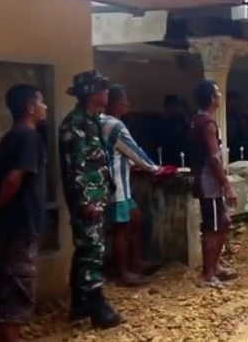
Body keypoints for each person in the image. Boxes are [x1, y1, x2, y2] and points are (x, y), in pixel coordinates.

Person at [0, 84, 47, 342]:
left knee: (4, 291)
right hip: (20, 227)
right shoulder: (30, 137)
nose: (45, 107)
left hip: (6, 229)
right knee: (16, 296)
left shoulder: (9, 137)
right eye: (41, 102)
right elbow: (12, 180)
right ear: (30, 108)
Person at [59, 70, 122, 328]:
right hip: (88, 201)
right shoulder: (75, 124)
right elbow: (76, 168)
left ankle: (79, 304)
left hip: (97, 197)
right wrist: (87, 202)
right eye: (102, 89)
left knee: (86, 250)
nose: (107, 93)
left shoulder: (93, 120)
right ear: (91, 93)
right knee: (93, 251)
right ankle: (98, 307)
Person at [101, 85, 163, 286]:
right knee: (121, 228)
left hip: (121, 183)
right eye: (124, 100)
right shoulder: (114, 125)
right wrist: (154, 168)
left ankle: (136, 261)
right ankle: (123, 272)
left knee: (136, 219)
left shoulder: (101, 122)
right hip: (115, 185)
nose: (127, 104)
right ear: (114, 102)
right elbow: (134, 151)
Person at [188, 80, 238, 288]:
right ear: (211, 98)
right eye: (217, 93)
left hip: (205, 180)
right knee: (214, 228)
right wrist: (226, 185)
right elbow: (214, 158)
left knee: (223, 222)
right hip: (209, 183)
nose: (220, 96)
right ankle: (208, 275)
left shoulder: (197, 120)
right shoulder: (208, 124)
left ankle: (215, 266)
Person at [157, 94, 189, 166]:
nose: (178, 109)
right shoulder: (161, 123)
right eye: (175, 106)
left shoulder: (182, 120)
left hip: (181, 155)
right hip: (167, 156)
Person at [226, 90, 247, 162]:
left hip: (236, 149)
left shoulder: (238, 117)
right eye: (233, 102)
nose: (235, 104)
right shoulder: (221, 117)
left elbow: (244, 132)